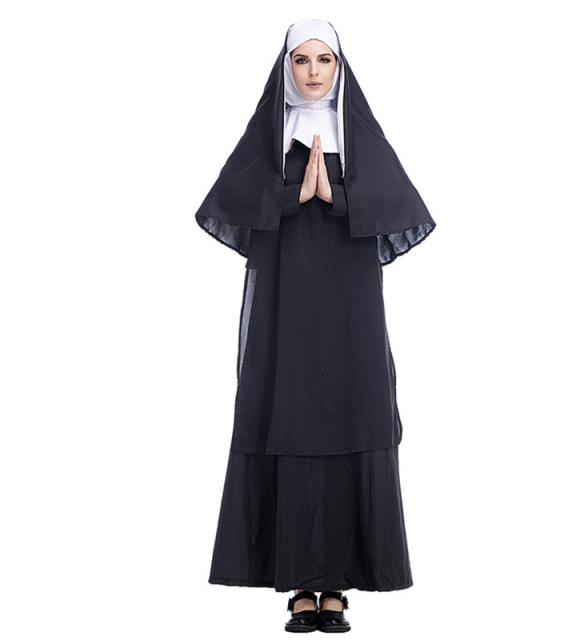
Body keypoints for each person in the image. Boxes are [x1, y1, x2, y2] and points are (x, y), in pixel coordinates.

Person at [194, 18, 436, 633]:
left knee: (352, 411)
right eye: (301, 60)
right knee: (291, 413)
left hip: (350, 299)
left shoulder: (357, 134)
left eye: (323, 60)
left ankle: (337, 586)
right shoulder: (269, 135)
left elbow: (404, 209)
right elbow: (224, 206)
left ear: (339, 68)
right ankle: (302, 584)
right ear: (286, 68)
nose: (312, 72)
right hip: (287, 296)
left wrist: (337, 198)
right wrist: (291, 196)